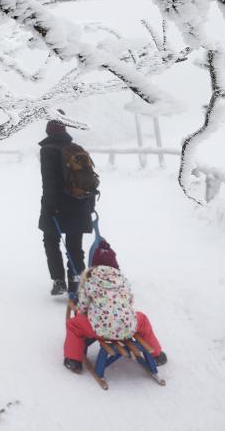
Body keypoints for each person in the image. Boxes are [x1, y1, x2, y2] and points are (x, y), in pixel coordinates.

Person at [63, 240, 166, 373]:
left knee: (74, 325)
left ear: (94, 264)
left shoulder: (90, 279)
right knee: (143, 320)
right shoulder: (123, 279)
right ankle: (157, 355)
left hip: (99, 328)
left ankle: (73, 360)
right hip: (128, 327)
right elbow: (130, 301)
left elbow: (83, 306)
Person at [38, 119, 97, 296]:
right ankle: (76, 285)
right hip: (80, 204)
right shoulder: (77, 148)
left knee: (50, 240)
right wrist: (90, 205)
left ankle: (58, 281)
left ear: (49, 131)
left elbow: (49, 183)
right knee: (74, 247)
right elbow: (90, 179)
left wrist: (50, 208)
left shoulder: (48, 151)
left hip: (57, 205)